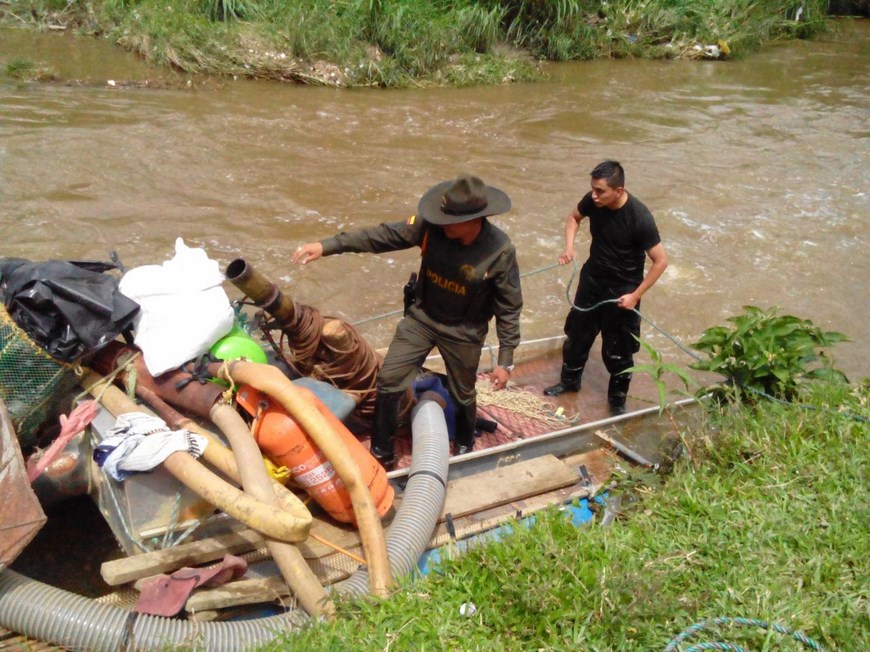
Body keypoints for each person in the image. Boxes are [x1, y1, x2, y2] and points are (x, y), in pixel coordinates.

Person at [292, 175, 523, 468]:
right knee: (389, 380)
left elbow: (509, 306)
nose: (443, 224)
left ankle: (465, 445)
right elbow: (381, 236)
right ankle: (381, 454)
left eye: (449, 220)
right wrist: (328, 246)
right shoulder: (430, 228)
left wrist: (505, 360)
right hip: (423, 319)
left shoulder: (499, 251)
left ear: (475, 220)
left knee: (463, 392)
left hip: (464, 331)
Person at [544, 160, 668, 415]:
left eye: (600, 191)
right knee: (577, 337)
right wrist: (569, 247)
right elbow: (573, 217)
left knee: (619, 352)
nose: (594, 195)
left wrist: (635, 296)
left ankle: (617, 401)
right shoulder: (594, 202)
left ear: (619, 191)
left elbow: (661, 261)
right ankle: (569, 383)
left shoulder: (640, 219)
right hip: (592, 281)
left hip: (623, 291)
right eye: (592, 189)